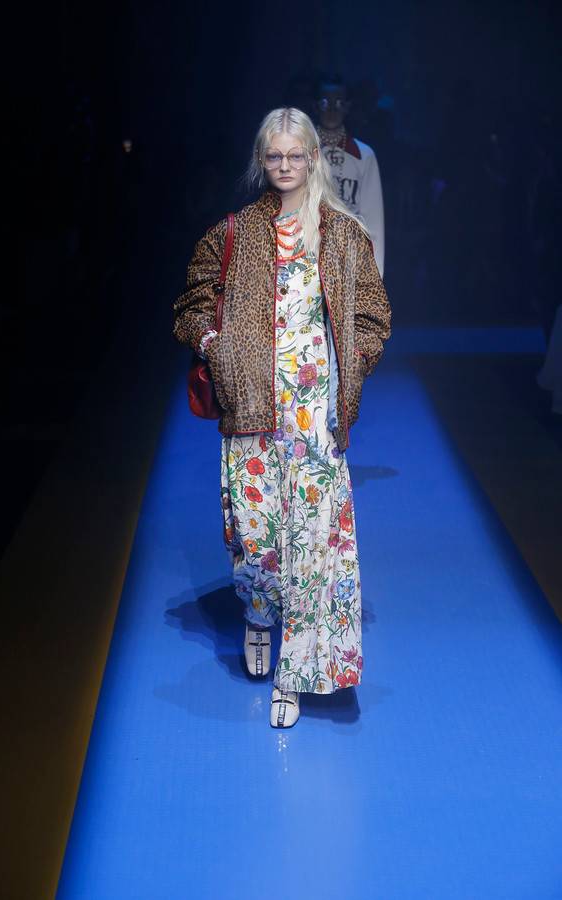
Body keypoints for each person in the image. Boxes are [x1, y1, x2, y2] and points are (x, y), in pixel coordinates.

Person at [173, 108, 391, 728]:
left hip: (316, 413)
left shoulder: (342, 235)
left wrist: (352, 366)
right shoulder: (235, 232)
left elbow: (374, 316)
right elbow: (191, 304)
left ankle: (293, 678)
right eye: (275, 156)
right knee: (258, 542)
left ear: (313, 159)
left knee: (312, 545)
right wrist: (217, 346)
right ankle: (258, 612)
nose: (286, 165)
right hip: (251, 408)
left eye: (296, 155)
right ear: (261, 160)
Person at [315, 76, 386, 278]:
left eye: (338, 103)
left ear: (347, 107)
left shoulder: (364, 155)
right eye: (325, 103)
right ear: (316, 106)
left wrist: (374, 279)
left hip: (347, 262)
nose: (331, 110)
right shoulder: (300, 153)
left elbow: (373, 222)